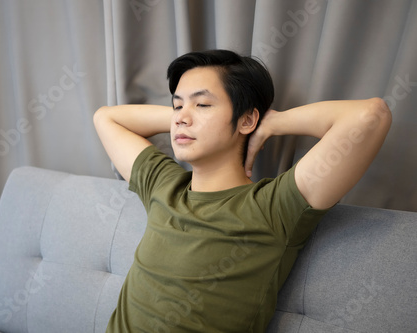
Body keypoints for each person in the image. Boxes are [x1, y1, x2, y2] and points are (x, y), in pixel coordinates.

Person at [93, 49, 392, 333]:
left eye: (203, 104)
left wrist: (271, 123)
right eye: (177, 104)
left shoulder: (274, 206)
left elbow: (371, 115)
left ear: (247, 119)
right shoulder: (163, 184)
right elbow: (105, 118)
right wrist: (183, 117)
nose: (181, 116)